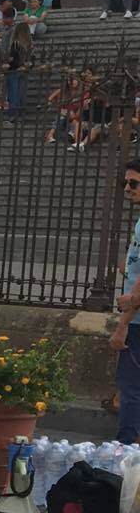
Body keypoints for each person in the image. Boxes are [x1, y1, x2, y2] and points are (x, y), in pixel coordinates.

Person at [113, 160, 140, 445]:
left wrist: (122, 325)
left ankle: (126, 453)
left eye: (134, 183)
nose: (127, 188)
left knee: (131, 389)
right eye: (126, 183)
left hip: (137, 320)